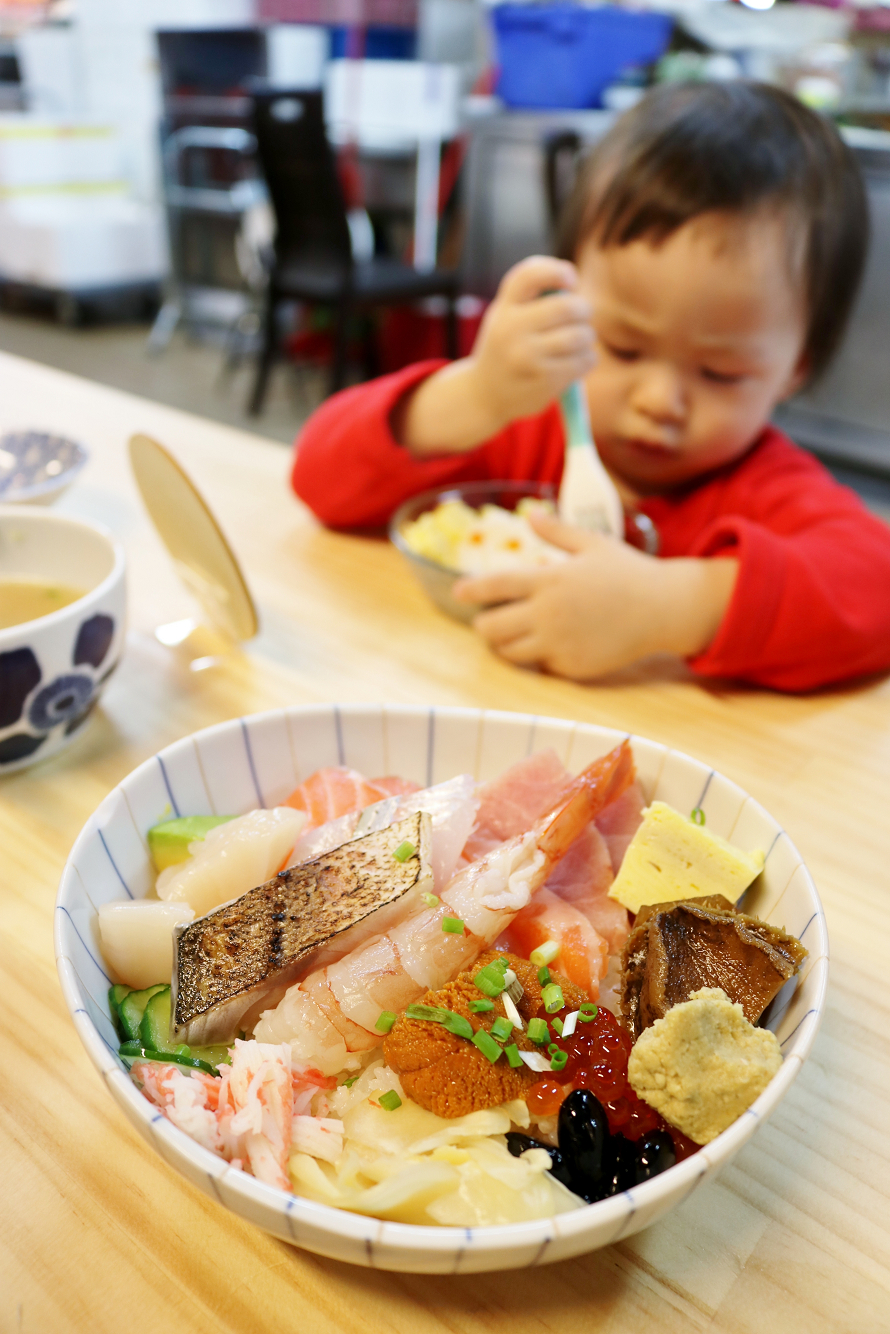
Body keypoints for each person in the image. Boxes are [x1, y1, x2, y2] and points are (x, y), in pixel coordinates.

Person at [291, 82, 890, 691]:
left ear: (796, 368)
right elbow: (317, 477)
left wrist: (674, 606)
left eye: (720, 373)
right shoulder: (521, 430)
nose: (658, 400)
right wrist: (474, 396)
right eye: (622, 347)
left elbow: (876, 589)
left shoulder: (768, 491)